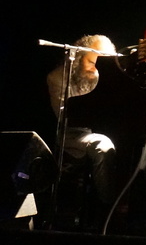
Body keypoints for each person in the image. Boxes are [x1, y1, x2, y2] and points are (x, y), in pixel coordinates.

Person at [46, 34, 118, 230]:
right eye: (92, 62)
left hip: (106, 129)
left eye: (103, 64)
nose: (96, 68)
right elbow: (65, 117)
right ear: (79, 57)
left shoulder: (106, 78)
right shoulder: (58, 77)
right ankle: (109, 210)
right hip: (73, 136)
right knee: (102, 146)